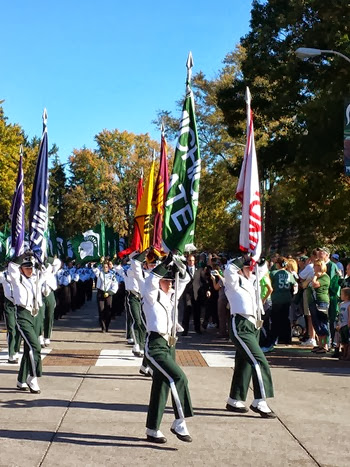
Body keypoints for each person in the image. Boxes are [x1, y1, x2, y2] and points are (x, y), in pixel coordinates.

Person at [141, 253, 193, 444]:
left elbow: (185, 279)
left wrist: (178, 264)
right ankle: (180, 421)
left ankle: (152, 429)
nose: (171, 283)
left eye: (171, 281)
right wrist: (165, 262)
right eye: (167, 280)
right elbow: (151, 280)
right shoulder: (150, 296)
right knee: (179, 377)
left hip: (170, 343)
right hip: (155, 345)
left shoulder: (171, 294)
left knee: (161, 386)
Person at [224, 257, 276, 418]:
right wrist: (244, 258)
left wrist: (257, 256)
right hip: (241, 324)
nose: (251, 269)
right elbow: (229, 269)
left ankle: (235, 399)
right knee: (259, 361)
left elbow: (263, 269)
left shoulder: (253, 279)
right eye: (248, 267)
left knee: (244, 362)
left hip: (255, 324)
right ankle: (260, 400)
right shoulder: (234, 280)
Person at [8, 251, 47, 393]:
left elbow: (50, 268)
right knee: (35, 346)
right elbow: (12, 266)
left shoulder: (36, 278)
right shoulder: (16, 279)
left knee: (28, 349)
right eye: (26, 268)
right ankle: (33, 376)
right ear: (21, 269)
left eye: (31, 268)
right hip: (23, 315)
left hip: (36, 315)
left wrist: (40, 259)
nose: (30, 270)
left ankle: (21, 380)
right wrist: (22, 255)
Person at [268, 257, 297, 348]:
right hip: (286, 298)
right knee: (285, 319)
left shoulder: (273, 273)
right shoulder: (289, 274)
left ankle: (275, 338)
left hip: (276, 298)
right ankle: (286, 338)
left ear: (277, 264)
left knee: (276, 319)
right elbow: (294, 285)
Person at [306, 259, 330, 353]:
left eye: (317, 266)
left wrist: (315, 276)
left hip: (321, 301)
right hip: (313, 302)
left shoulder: (324, 277)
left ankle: (325, 345)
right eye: (314, 266)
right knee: (316, 324)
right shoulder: (315, 276)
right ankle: (320, 344)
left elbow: (315, 284)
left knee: (322, 323)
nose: (314, 268)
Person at [92, 261, 118, 332]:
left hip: (108, 294)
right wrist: (99, 261)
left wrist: (110, 293)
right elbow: (94, 268)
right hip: (101, 293)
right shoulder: (100, 273)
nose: (105, 268)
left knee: (108, 311)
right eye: (104, 267)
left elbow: (115, 285)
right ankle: (103, 326)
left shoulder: (112, 275)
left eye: (106, 267)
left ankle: (107, 325)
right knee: (101, 310)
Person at [335, 288, 350, 360]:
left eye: (342, 294)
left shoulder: (349, 305)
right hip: (341, 324)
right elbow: (340, 315)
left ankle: (347, 355)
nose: (340, 296)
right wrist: (338, 324)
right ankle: (344, 354)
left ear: (347, 296)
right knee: (343, 341)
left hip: (346, 324)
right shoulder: (341, 304)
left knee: (347, 341)